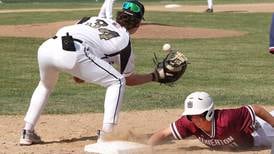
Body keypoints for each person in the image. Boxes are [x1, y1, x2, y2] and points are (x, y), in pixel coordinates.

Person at [19, 0, 155, 145]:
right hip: (74, 53)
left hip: (46, 48)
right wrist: (155, 76)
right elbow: (129, 79)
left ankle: (27, 132)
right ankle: (107, 134)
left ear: (119, 16)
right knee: (118, 81)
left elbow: (77, 38)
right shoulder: (124, 39)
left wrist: (78, 71)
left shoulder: (91, 19)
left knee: (45, 85)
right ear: (138, 24)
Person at [148, 91, 274, 151]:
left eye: (196, 115)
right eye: (190, 116)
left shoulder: (227, 119)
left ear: (209, 113)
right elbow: (163, 134)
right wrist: (148, 147)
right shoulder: (188, 122)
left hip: (260, 131)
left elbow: (256, 109)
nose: (193, 119)